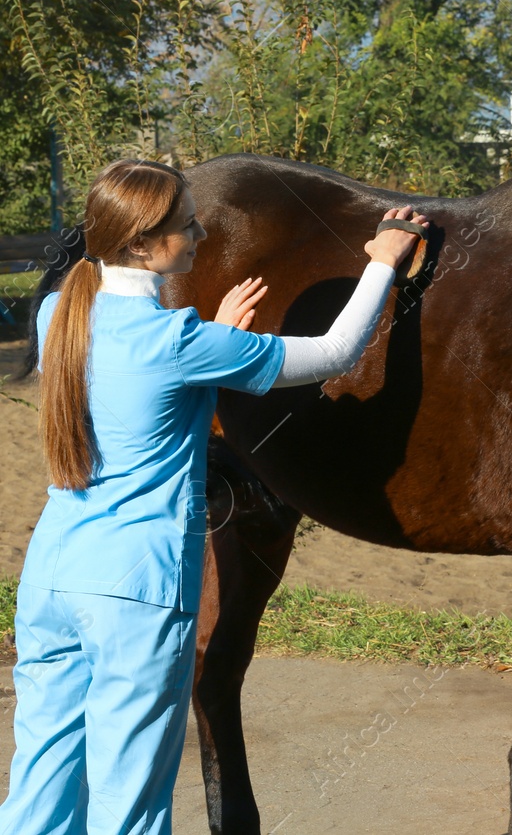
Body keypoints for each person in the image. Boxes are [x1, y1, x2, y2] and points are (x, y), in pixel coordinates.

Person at [0, 158, 427, 834]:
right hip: (135, 589)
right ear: (142, 242)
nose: (199, 232)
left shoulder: (59, 313)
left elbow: (139, 384)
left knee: (40, 787)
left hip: (52, 575)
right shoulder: (180, 341)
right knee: (129, 805)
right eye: (186, 223)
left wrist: (218, 331)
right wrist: (382, 262)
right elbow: (337, 351)